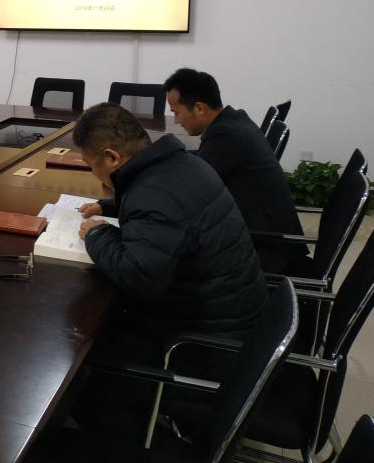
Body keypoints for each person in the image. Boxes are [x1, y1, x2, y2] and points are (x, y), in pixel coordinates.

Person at [76, 103, 267, 346]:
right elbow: (171, 211)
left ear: (111, 157)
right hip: (238, 312)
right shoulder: (183, 163)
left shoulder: (151, 197)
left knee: (88, 333)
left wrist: (98, 234)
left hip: (209, 341)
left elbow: (138, 279)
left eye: (90, 165)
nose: (92, 173)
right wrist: (109, 206)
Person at [163, 67, 309, 274]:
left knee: (166, 258)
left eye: (176, 112)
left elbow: (189, 186)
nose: (176, 121)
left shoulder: (226, 134)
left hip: (266, 250)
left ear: (199, 108)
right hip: (268, 237)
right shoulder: (234, 120)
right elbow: (198, 162)